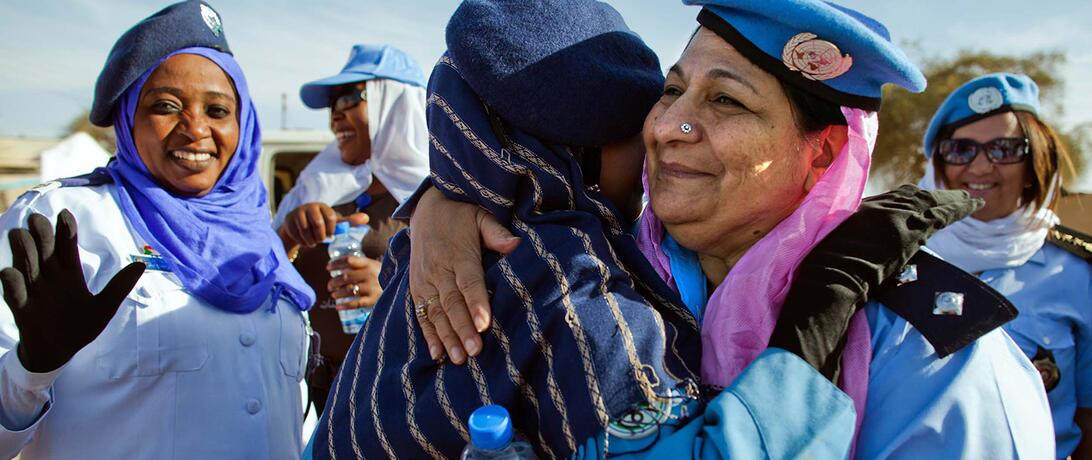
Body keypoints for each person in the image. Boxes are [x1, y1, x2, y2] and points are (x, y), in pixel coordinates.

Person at [314, 0, 1054, 458]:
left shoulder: (936, 360)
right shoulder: (611, 276)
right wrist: (444, 202)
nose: (669, 126)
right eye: (670, 91)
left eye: (726, 101)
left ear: (821, 152)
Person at [0, 2, 313, 458]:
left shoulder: (260, 244)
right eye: (165, 106)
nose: (195, 129)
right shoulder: (64, 218)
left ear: (241, 126)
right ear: (128, 117)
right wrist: (30, 370)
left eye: (218, 109)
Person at [920, 72, 1092, 459]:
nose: (980, 168)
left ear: (1035, 162)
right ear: (939, 163)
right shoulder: (897, 260)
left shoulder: (1078, 275)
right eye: (960, 149)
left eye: (1004, 149)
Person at [274, 43, 429, 415]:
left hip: (393, 393)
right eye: (332, 107)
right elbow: (261, 282)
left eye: (347, 100)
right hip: (312, 388)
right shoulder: (316, 186)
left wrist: (393, 290)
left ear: (391, 102)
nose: (334, 119)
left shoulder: (435, 198)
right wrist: (288, 237)